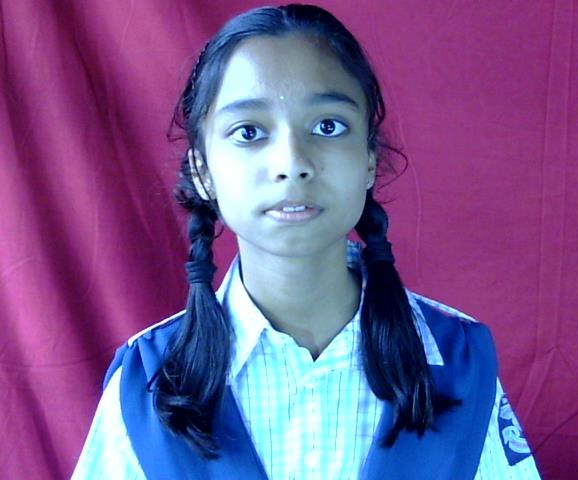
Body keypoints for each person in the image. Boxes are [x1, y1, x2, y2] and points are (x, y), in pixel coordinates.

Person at [72, 4, 540, 479]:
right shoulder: (147, 382)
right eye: (249, 132)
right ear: (203, 171)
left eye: (327, 126)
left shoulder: (457, 361)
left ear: (369, 160)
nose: (292, 162)